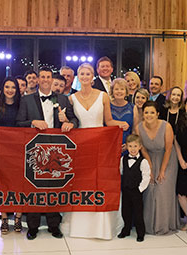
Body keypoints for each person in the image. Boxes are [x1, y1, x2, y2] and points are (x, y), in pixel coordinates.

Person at [65, 63, 129, 240]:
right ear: (79, 76)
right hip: (81, 146)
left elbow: (108, 120)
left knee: (99, 182)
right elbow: (72, 121)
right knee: (82, 183)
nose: (85, 76)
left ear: (93, 76)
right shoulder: (72, 98)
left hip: (101, 145)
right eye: (82, 74)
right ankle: (80, 227)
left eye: (88, 73)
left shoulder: (103, 96)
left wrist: (120, 124)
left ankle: (101, 227)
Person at [16, 67, 78, 240]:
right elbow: (18, 123)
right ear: (37, 80)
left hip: (56, 150)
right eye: (41, 76)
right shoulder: (27, 100)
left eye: (47, 77)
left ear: (52, 79)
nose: (44, 79)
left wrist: (70, 123)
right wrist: (32, 122)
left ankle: (53, 225)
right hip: (35, 150)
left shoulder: (63, 99)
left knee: (55, 188)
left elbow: (75, 119)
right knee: (34, 188)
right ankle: (33, 226)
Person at [136, 101, 180, 235]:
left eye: (152, 112)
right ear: (143, 114)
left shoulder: (166, 127)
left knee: (161, 186)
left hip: (167, 159)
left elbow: (168, 149)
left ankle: (164, 225)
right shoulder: (139, 127)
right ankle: (149, 225)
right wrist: (149, 168)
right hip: (149, 157)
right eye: (146, 112)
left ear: (158, 114)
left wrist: (161, 171)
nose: (149, 115)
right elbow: (142, 148)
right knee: (150, 187)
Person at [0, 77, 22, 234]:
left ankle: (18, 217)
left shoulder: (21, 105)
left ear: (17, 89)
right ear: (2, 88)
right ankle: (4, 217)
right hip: (1, 152)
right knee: (2, 185)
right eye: (7, 86)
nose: (10, 90)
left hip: (19, 151)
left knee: (19, 185)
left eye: (13, 87)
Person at [118, 134, 150, 242]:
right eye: (130, 146)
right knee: (125, 211)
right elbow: (121, 172)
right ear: (126, 146)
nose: (133, 149)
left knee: (138, 213)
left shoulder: (143, 161)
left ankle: (140, 233)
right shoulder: (123, 159)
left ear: (140, 146)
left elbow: (146, 177)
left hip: (136, 191)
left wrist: (140, 189)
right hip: (126, 190)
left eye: (135, 146)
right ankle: (126, 230)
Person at [110, 78, 134, 155]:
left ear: (126, 91)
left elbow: (135, 129)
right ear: (112, 91)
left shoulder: (132, 107)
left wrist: (129, 144)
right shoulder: (106, 106)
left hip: (128, 148)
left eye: (122, 89)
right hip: (109, 146)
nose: (119, 91)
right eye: (116, 89)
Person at [174, 111, 187, 231]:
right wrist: (181, 159)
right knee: (181, 193)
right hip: (183, 162)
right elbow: (176, 141)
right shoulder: (181, 122)